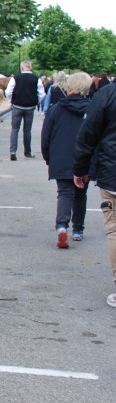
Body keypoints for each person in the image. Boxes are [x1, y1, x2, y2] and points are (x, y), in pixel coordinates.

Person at [73, 79, 116, 308]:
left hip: (112, 173)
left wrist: (80, 169)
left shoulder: (107, 95)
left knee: (115, 229)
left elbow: (88, 135)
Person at [41, 72, 92, 248]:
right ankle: (78, 229)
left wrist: (48, 158)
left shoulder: (55, 109)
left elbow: (45, 136)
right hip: (84, 159)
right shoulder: (92, 110)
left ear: (68, 87)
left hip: (60, 157)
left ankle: (62, 226)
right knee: (80, 194)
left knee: (64, 192)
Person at [5, 60, 45, 161]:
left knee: (15, 129)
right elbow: (42, 94)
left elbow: (8, 91)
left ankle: (13, 152)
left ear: (22, 68)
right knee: (27, 130)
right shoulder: (36, 79)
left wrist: (11, 101)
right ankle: (27, 153)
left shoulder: (15, 78)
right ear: (30, 67)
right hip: (30, 108)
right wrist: (36, 102)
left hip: (17, 106)